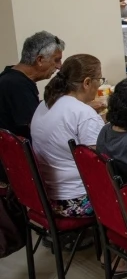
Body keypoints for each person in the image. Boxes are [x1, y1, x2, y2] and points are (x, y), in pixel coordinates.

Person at [30, 55, 105, 217]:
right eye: (99, 79)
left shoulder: (45, 103)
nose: (100, 84)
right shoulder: (84, 114)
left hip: (43, 194)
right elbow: (100, 165)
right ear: (86, 83)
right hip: (74, 199)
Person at [0, 31, 64, 140]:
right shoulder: (18, 85)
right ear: (39, 60)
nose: (59, 66)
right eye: (56, 60)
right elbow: (37, 128)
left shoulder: (10, 75)